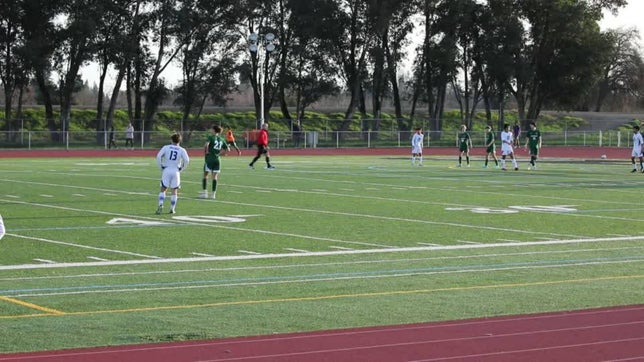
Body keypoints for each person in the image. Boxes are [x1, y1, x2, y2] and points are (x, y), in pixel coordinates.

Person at [155, 133, 190, 214]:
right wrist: (182, 168)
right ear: (180, 141)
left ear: (171, 140)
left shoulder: (166, 147)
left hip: (166, 169)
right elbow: (187, 160)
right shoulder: (182, 150)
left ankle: (160, 204)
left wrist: (161, 166)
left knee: (163, 189)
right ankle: (172, 208)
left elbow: (158, 156)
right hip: (176, 171)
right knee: (174, 190)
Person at [201, 125, 230, 199]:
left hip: (210, 159)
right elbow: (227, 149)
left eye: (211, 129)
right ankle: (213, 194)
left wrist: (207, 151)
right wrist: (219, 154)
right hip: (217, 159)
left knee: (205, 175)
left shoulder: (211, 137)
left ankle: (204, 193)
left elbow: (206, 144)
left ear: (214, 130)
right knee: (215, 177)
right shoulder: (222, 139)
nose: (211, 130)